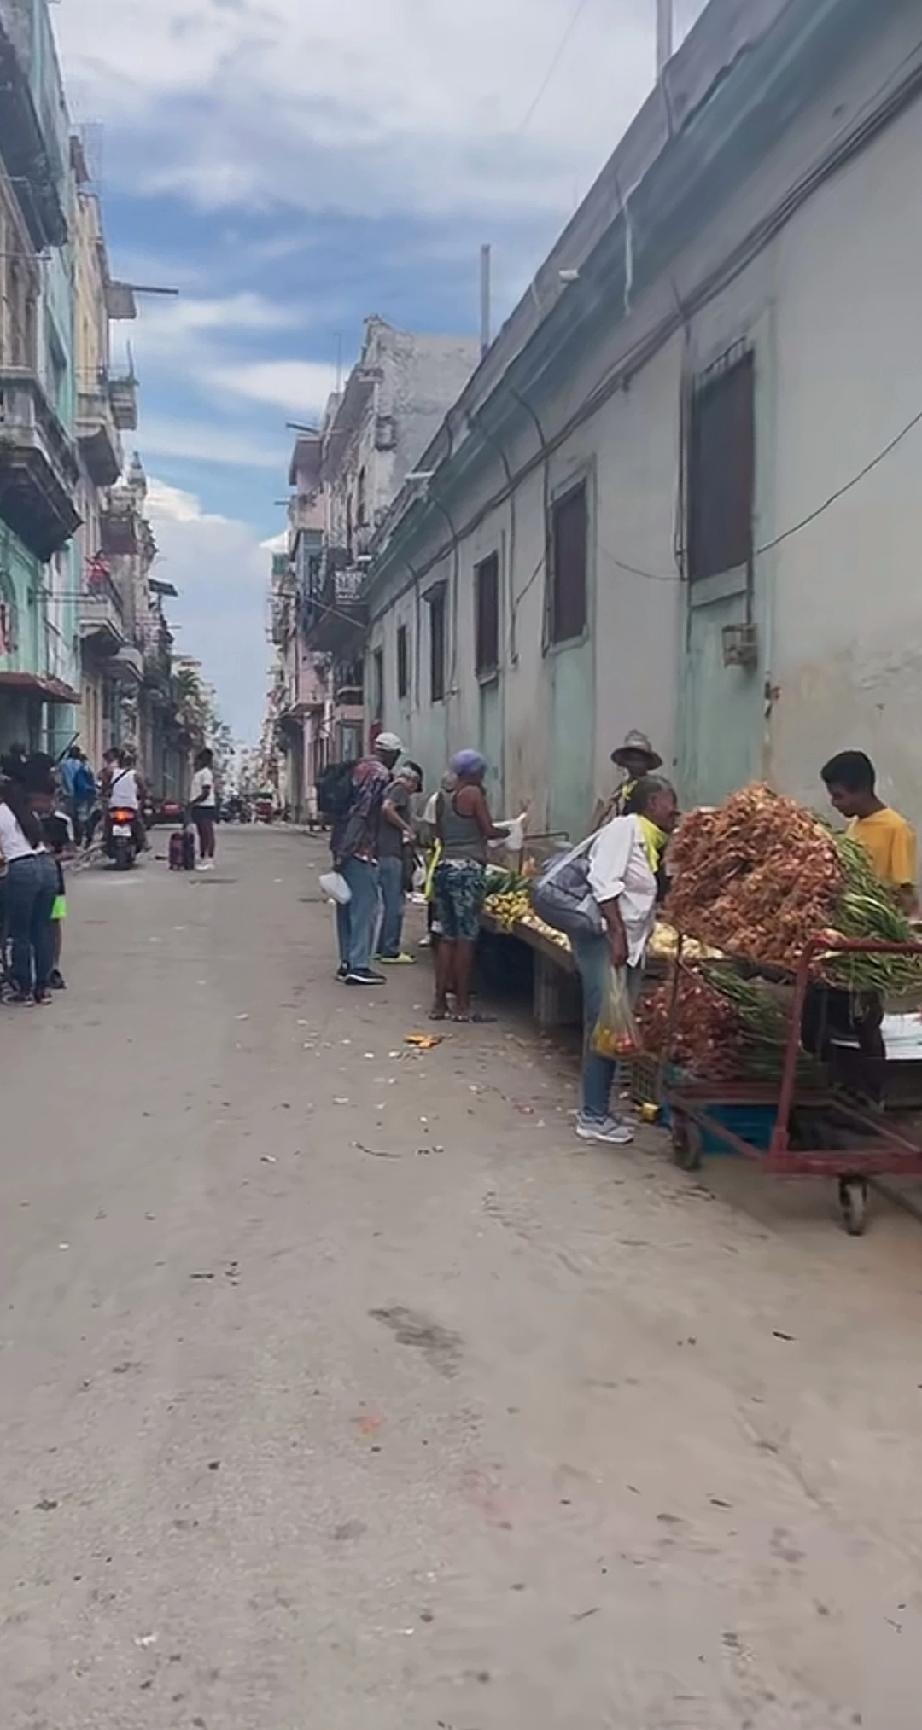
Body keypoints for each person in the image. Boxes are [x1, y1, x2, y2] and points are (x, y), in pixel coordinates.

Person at [572, 775, 679, 1144]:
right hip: (604, 941)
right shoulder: (624, 830)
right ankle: (591, 1115)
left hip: (627, 946)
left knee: (613, 1028)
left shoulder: (652, 842)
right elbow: (603, 881)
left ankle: (599, 1108)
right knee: (604, 1024)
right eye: (670, 803)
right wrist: (617, 934)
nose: (675, 811)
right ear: (651, 803)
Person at [430, 750, 508, 1022]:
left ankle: (439, 1003)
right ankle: (462, 1006)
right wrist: (510, 831)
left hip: (444, 868)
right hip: (467, 871)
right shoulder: (473, 794)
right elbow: (488, 830)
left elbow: (439, 835)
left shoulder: (441, 798)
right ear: (474, 773)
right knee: (466, 938)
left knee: (447, 937)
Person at [331, 732, 403, 985]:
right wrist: (349, 848)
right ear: (391, 753)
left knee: (345, 904)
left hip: (341, 841)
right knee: (365, 907)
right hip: (360, 848)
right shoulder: (379, 774)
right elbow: (362, 813)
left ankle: (346, 961)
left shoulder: (358, 767)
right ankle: (359, 965)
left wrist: (339, 851)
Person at [821, 750, 917, 913]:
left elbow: (905, 892)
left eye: (838, 796)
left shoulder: (896, 828)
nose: (834, 803)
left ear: (862, 791)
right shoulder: (854, 825)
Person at [0, 754, 58, 1005]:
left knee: (20, 933)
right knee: (41, 929)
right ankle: (41, 989)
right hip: (47, 867)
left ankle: (23, 989)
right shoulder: (26, 812)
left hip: (22, 870)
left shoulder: (1, 812)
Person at [376, 759, 423, 964]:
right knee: (395, 903)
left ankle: (381, 947)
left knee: (389, 902)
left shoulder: (389, 788)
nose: (412, 792)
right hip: (391, 851)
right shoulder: (400, 789)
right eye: (415, 787)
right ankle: (390, 950)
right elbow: (388, 809)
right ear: (412, 781)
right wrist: (406, 828)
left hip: (384, 850)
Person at [592, 730, 663, 830]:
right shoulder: (617, 792)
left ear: (647, 762)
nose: (634, 763)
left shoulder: (654, 789)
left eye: (639, 759)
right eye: (631, 758)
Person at [190, 747, 217, 870]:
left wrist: (193, 802)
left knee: (207, 833)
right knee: (201, 833)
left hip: (205, 806)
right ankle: (203, 858)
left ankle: (209, 859)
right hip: (199, 806)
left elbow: (206, 792)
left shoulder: (206, 773)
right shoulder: (199, 773)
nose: (195, 762)